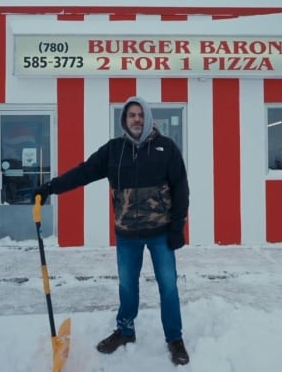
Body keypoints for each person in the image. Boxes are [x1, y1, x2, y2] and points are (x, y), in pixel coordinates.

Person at [34, 96, 190, 366]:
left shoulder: (166, 148)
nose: (137, 119)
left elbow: (181, 188)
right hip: (127, 233)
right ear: (124, 120)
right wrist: (50, 187)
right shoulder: (113, 151)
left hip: (161, 232)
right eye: (132, 115)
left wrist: (177, 227)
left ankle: (174, 339)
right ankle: (125, 331)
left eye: (141, 114)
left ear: (148, 117)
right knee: (127, 286)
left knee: (168, 286)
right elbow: (83, 172)